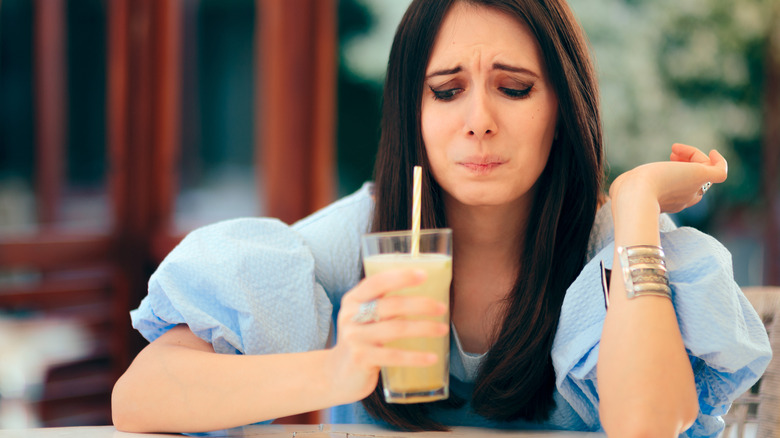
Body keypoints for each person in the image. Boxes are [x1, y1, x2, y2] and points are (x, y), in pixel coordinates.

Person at [111, 0, 772, 436]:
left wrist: (632, 206)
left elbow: (649, 424)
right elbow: (140, 397)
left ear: (563, 109)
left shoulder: (614, 250)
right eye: (446, 90)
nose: (478, 119)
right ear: (413, 116)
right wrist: (338, 370)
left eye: (514, 88)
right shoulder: (362, 236)